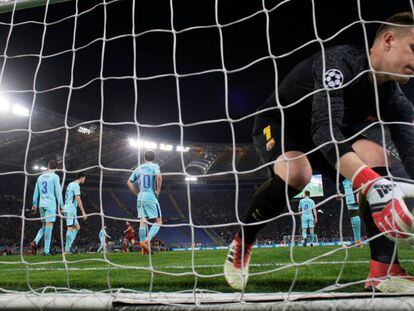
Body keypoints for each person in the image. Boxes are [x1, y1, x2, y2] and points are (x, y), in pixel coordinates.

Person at [224, 12, 414, 291]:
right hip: (283, 127)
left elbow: (410, 155)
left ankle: (383, 271)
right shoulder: (340, 63)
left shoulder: (395, 99)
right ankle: (244, 240)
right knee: (297, 171)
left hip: (332, 138)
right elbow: (323, 130)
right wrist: (374, 185)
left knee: (376, 157)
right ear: (388, 40)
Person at [127, 150, 162, 256]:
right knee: (158, 221)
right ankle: (146, 241)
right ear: (153, 158)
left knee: (143, 221)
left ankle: (143, 249)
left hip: (140, 197)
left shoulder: (139, 168)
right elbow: (159, 177)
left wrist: (137, 193)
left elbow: (128, 182)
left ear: (144, 158)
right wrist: (158, 190)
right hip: (150, 196)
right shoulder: (154, 166)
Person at [29, 160, 63, 256]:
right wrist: (61, 205)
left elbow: (36, 192)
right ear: (56, 168)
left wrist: (34, 204)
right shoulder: (55, 177)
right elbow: (58, 192)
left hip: (41, 204)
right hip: (50, 204)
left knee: (44, 227)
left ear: (48, 167)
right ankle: (46, 251)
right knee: (49, 227)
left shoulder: (40, 177)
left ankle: (35, 241)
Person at [63, 173, 87, 255]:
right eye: (84, 178)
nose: (84, 180)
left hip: (67, 208)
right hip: (70, 209)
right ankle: (66, 250)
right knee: (70, 228)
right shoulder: (76, 185)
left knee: (77, 227)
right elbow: (78, 198)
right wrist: (83, 212)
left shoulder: (70, 184)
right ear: (82, 177)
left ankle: (68, 246)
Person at [342, 178, 362, 247]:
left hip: (351, 186)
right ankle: (357, 241)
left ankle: (358, 242)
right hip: (350, 185)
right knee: (353, 214)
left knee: (354, 213)